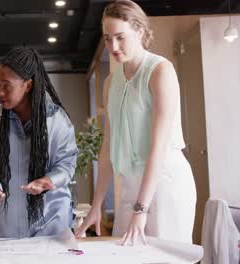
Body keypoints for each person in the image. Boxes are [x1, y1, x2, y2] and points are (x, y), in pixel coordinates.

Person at [75, 0, 196, 245]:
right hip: (131, 183)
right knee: (127, 254)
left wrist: (141, 210)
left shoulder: (161, 72)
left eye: (120, 37)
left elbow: (158, 148)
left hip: (165, 182)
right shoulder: (111, 82)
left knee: (165, 257)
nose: (113, 46)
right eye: (108, 38)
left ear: (140, 31)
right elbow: (107, 145)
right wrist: (96, 205)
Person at [0, 47, 78, 238]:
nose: (0, 92)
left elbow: (66, 164)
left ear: (28, 85)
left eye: (7, 86)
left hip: (51, 225)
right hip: (4, 227)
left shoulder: (56, 120)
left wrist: (48, 181)